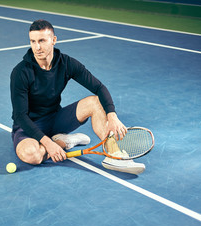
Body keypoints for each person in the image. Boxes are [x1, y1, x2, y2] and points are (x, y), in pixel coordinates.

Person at [10, 19, 145, 174]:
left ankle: (114, 154)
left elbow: (98, 87)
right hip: (29, 126)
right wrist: (49, 144)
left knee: (94, 102)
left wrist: (112, 115)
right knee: (31, 155)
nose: (37, 47)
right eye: (33, 41)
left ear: (54, 40)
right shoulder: (21, 72)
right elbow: (20, 116)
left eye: (42, 40)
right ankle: (63, 142)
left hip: (55, 119)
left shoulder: (67, 63)